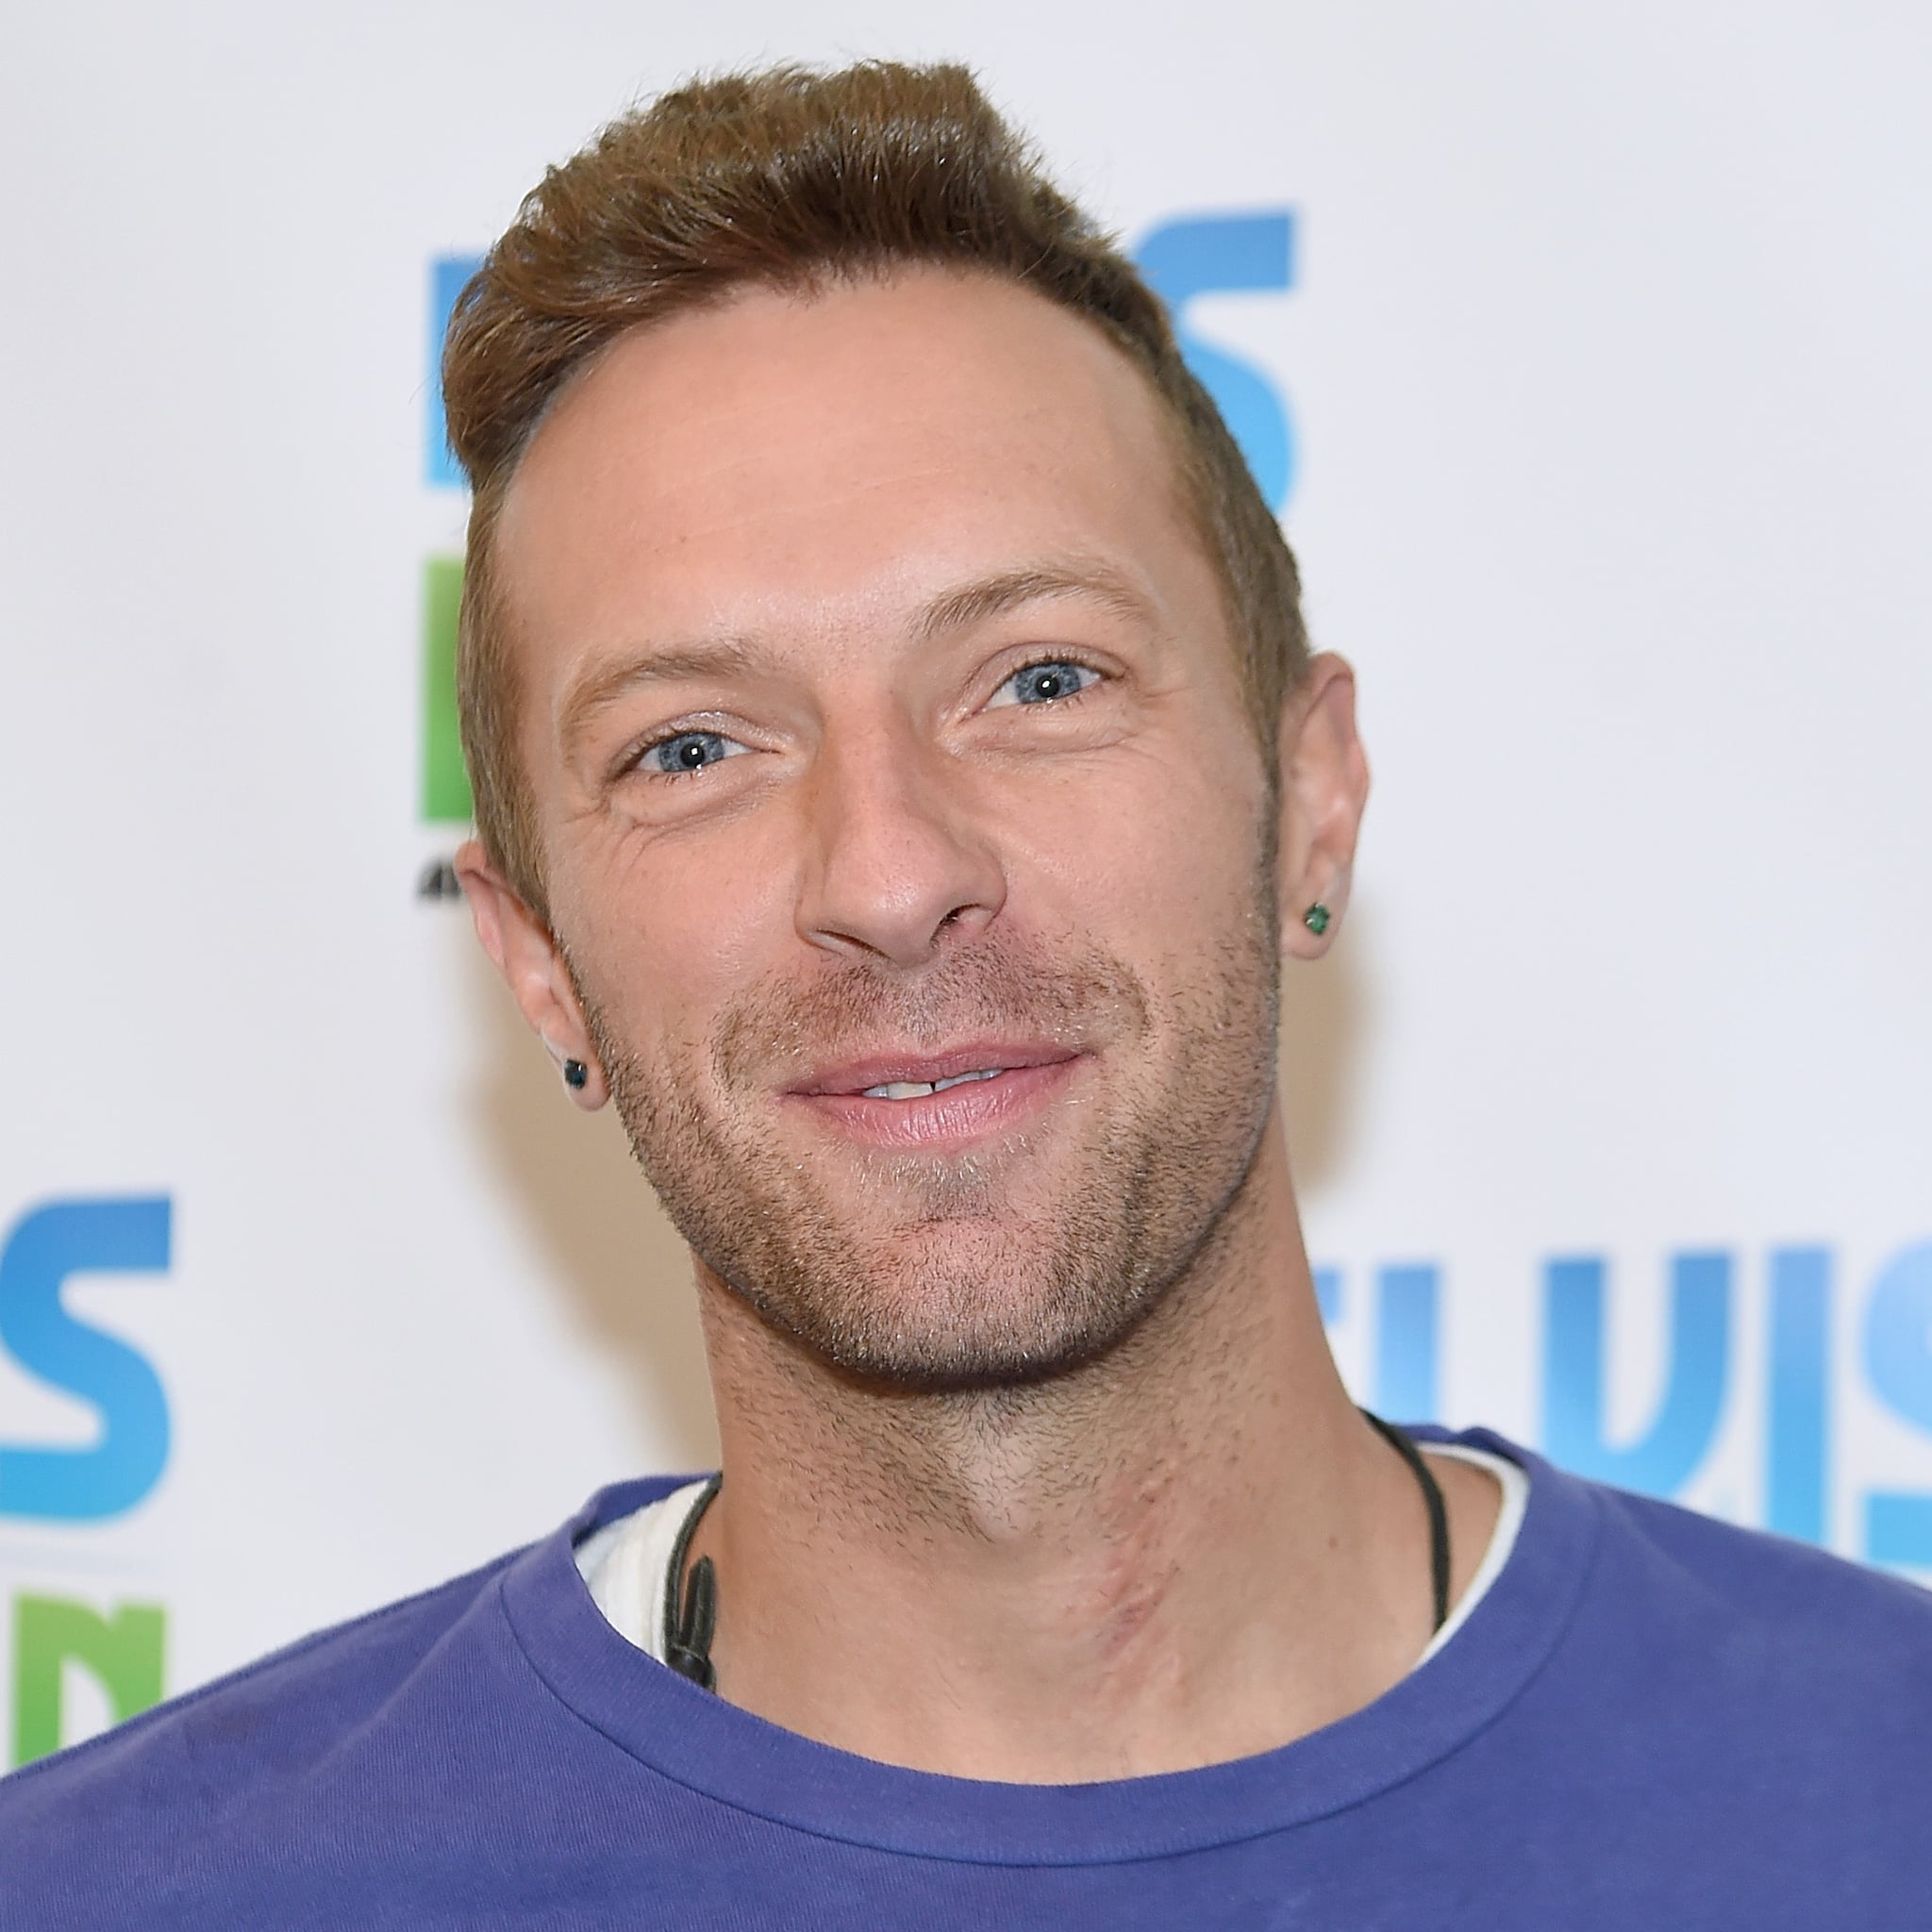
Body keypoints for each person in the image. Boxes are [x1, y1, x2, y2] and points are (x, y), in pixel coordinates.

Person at [4, 58, 1929, 1928]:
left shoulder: (1876, 1793)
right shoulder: (118, 1897)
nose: (890, 872)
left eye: (1039, 680)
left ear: (1309, 800)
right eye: (693, 748)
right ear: (539, 964)